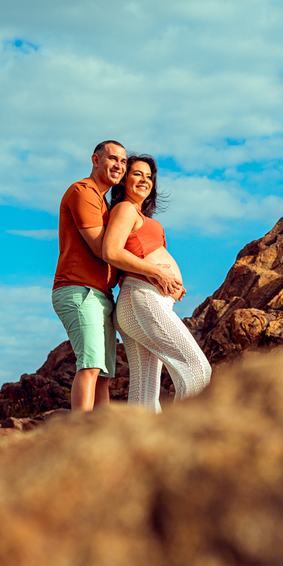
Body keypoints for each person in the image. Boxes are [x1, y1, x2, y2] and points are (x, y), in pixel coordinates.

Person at [103, 154, 211, 412]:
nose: (145, 180)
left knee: (144, 394)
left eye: (149, 176)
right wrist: (159, 273)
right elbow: (111, 251)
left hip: (146, 302)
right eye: (137, 174)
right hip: (141, 298)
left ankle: (143, 449)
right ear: (123, 180)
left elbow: (146, 255)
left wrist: (173, 284)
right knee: (197, 369)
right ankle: (187, 442)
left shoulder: (147, 219)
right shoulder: (125, 208)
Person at [51, 140, 153, 412]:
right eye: (113, 159)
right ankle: (80, 437)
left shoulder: (104, 203)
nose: (119, 165)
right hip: (80, 290)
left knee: (104, 375)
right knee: (91, 365)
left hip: (101, 294)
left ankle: (98, 437)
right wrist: (153, 270)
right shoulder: (83, 191)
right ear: (95, 160)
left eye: (123, 161)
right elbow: (104, 250)